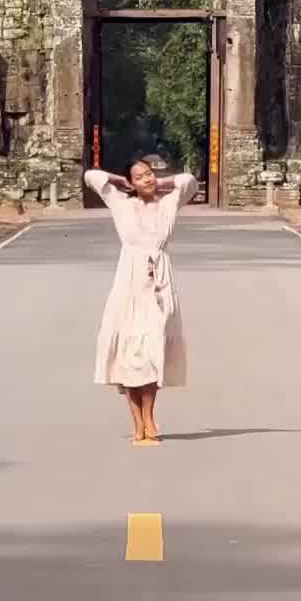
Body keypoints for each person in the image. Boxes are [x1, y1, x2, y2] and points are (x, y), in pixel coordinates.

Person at [83, 157, 198, 444]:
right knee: (129, 355)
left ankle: (149, 416)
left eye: (149, 174)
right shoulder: (121, 203)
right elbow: (91, 177)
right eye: (139, 176)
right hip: (129, 281)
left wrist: (163, 182)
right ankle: (137, 423)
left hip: (159, 282)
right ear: (131, 183)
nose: (146, 179)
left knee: (151, 349)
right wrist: (120, 181)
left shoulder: (169, 203)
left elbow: (189, 182)